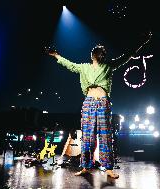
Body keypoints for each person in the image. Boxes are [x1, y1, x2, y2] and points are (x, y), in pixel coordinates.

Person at [48, 44, 139, 179]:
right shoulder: (84, 67)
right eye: (98, 52)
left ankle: (108, 168)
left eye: (102, 52)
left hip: (103, 102)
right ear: (92, 55)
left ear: (104, 55)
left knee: (105, 136)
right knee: (87, 137)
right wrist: (56, 55)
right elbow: (69, 64)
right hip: (89, 103)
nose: (100, 54)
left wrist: (140, 44)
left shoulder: (108, 66)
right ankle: (86, 166)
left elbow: (125, 57)